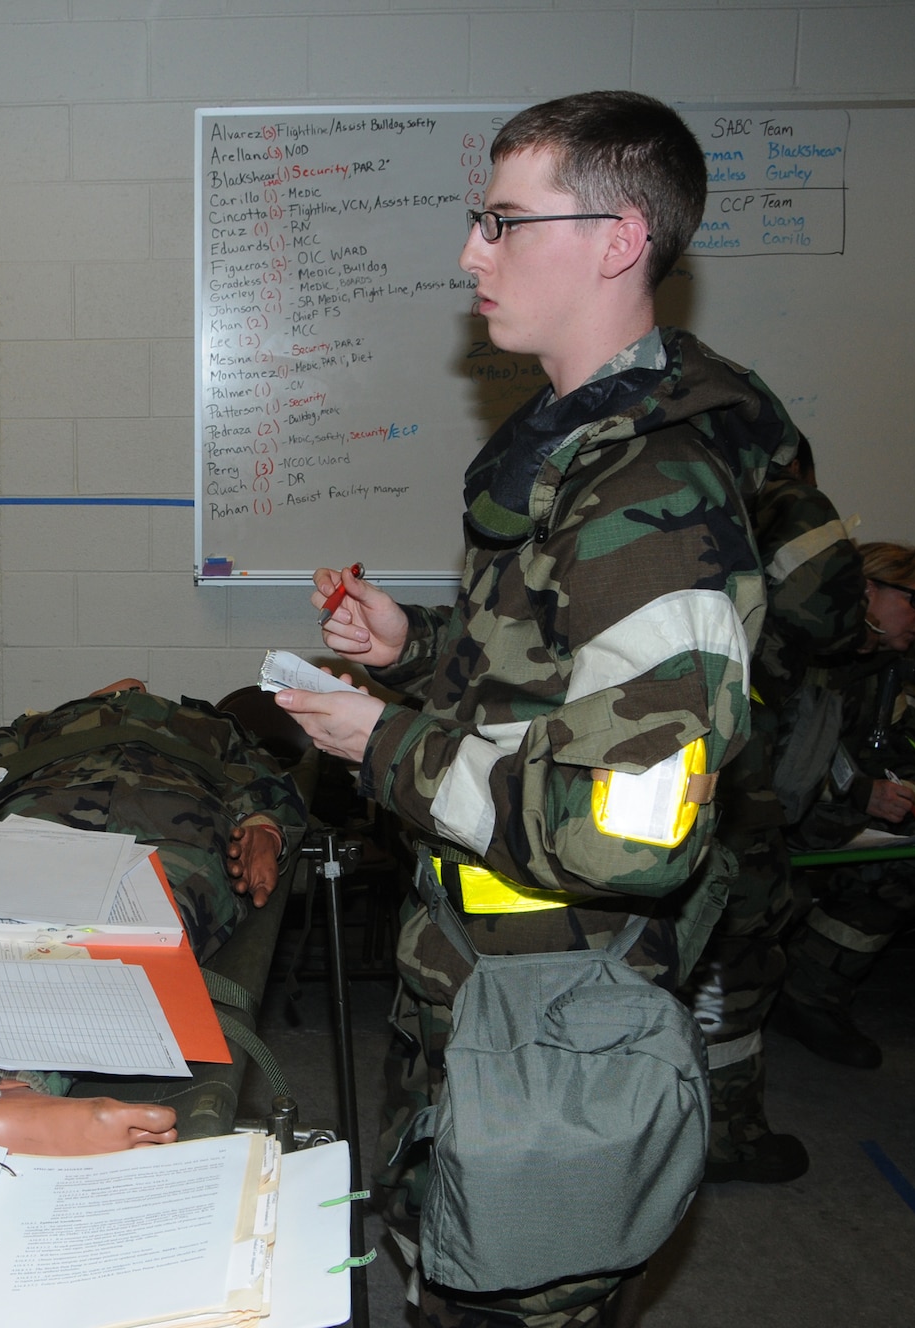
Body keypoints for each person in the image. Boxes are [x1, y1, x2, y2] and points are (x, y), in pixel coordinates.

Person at [274, 91, 792, 1324]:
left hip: (557, 1004)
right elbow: (560, 676)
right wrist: (415, 651)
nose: (469, 252)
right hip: (480, 978)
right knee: (441, 1256)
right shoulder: (580, 448)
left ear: (615, 238)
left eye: (504, 222)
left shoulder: (650, 490)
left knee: (513, 1293)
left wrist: (384, 743)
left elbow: (625, 828)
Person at [0, 681, 309, 1152]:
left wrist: (265, 830)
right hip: (41, 811)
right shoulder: (38, 724)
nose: (132, 686)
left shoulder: (213, 724)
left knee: (126, 938)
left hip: (172, 824)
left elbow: (271, 782)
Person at [680, 436, 864, 1182]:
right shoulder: (789, 501)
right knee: (736, 947)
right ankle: (725, 1134)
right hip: (736, 766)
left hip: (639, 744)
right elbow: (833, 622)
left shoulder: (646, 488)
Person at [772, 542, 915, 1068]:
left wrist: (899, 790)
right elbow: (776, 764)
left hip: (840, 821)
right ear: (867, 590)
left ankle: (809, 992)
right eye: (914, 600)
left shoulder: (910, 665)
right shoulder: (802, 654)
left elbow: (908, 750)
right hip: (773, 820)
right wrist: (858, 792)